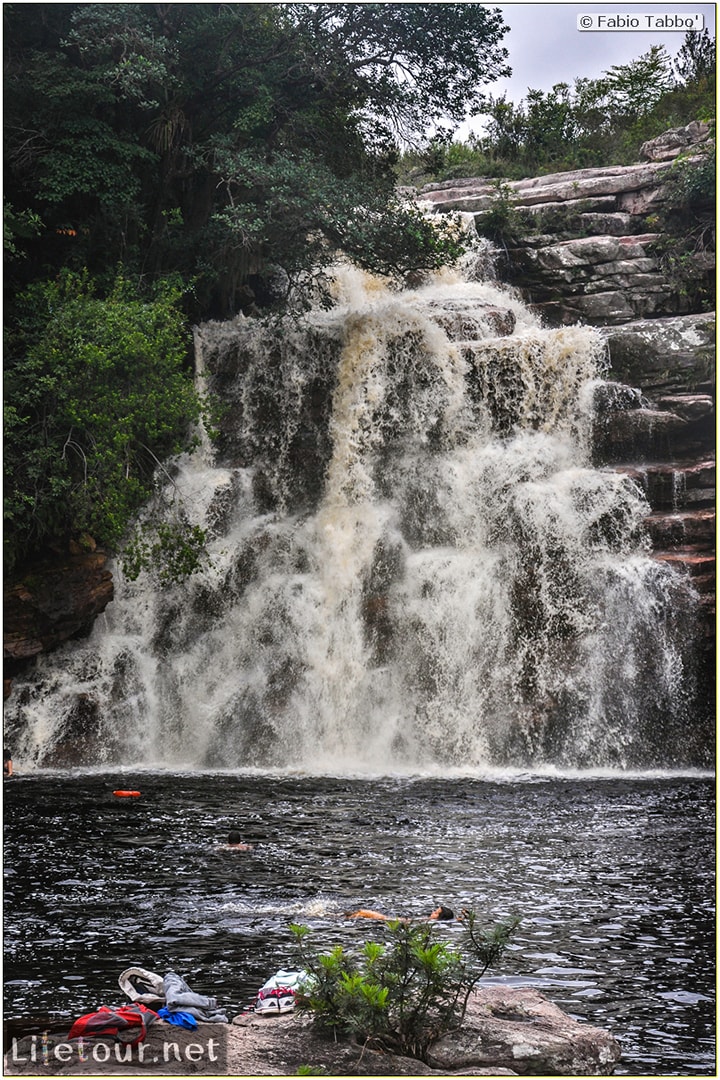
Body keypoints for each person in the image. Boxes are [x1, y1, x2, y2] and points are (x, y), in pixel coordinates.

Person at [344, 905, 455, 922]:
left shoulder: (427, 922)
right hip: (393, 919)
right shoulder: (427, 921)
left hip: (390, 919)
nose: (432, 912)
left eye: (435, 912)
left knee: (362, 912)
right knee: (362, 913)